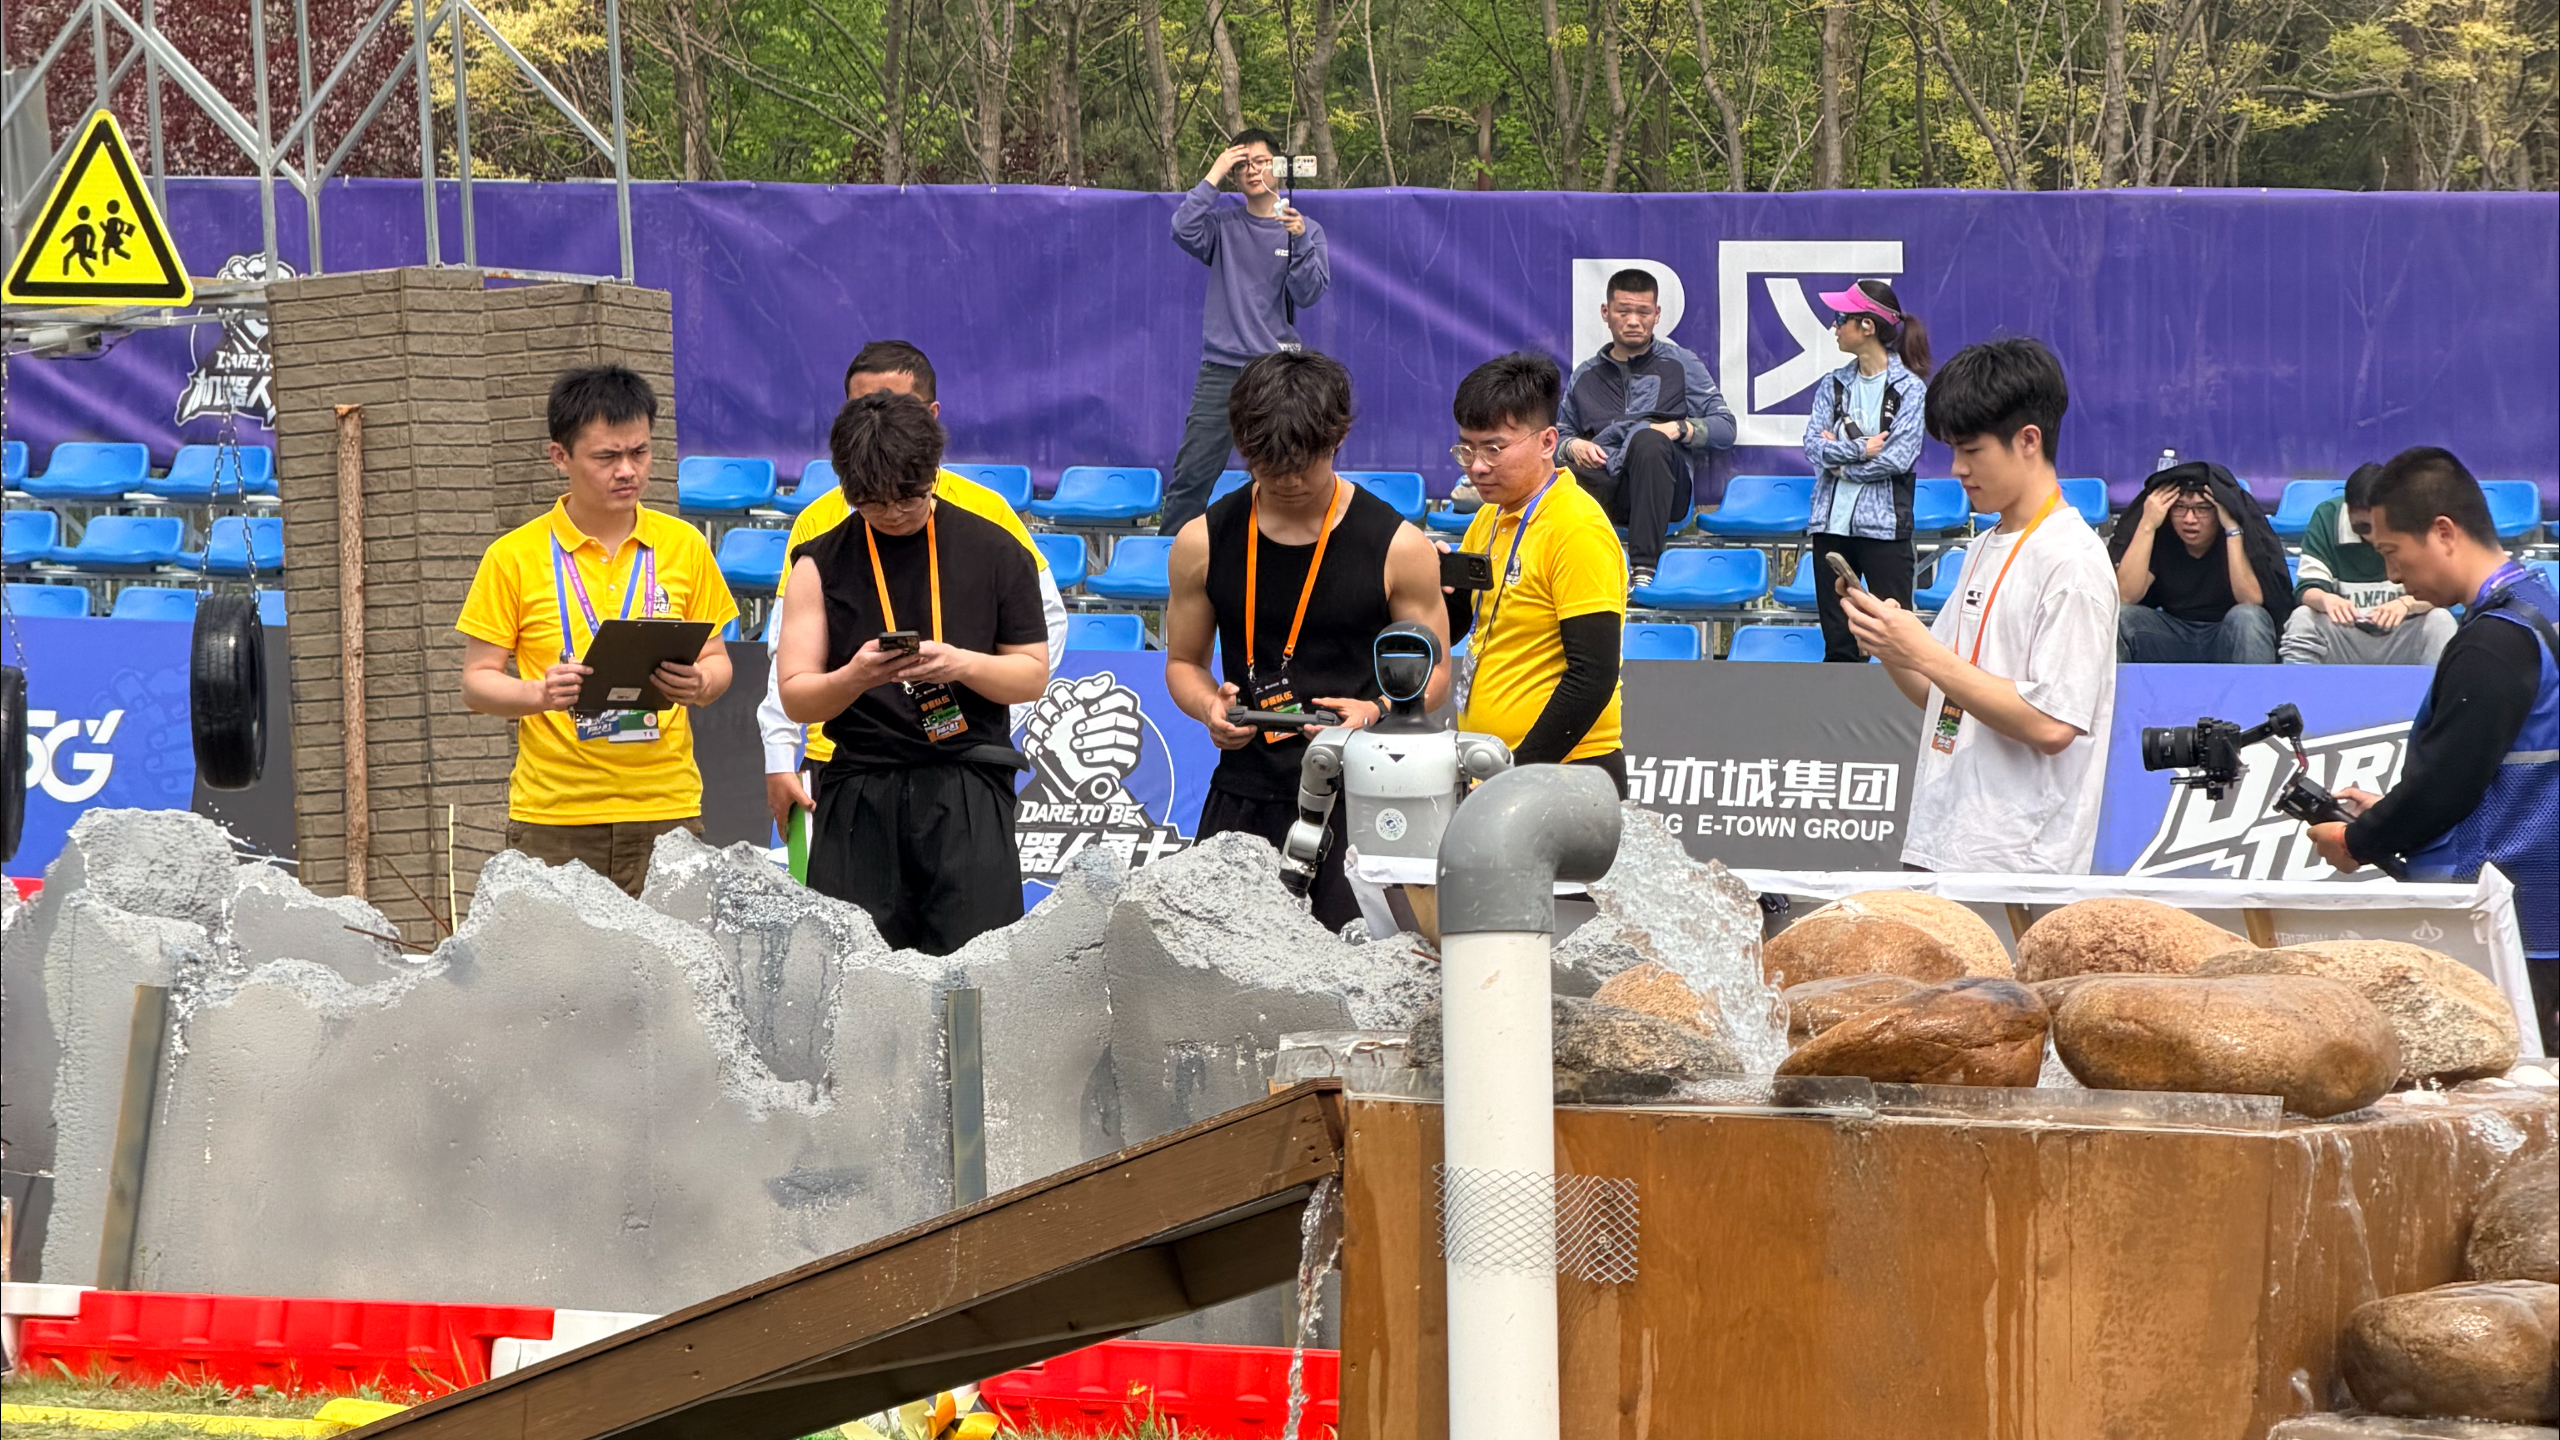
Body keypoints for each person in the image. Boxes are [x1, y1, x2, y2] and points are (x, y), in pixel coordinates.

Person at [1164, 350, 1449, 932]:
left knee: (1361, 971)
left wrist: (1375, 711)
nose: (1289, 480)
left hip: (1363, 795)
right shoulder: (1202, 541)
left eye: (1304, 463)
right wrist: (1209, 706)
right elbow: (1183, 663)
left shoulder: (1397, 546)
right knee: (1218, 964)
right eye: (1270, 466)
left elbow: (1437, 674)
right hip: (1245, 791)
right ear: (1243, 447)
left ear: (1338, 439)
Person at [758, 341, 1069, 858]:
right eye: (861, 408)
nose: (893, 512)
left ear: (931, 418)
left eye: (894, 407)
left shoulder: (988, 518)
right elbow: (786, 656)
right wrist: (778, 752)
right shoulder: (820, 524)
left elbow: (1043, 636)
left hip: (964, 760)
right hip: (843, 759)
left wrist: (975, 690)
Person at [776, 392, 1050, 955]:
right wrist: (855, 676)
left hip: (967, 778)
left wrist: (960, 664)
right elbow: (798, 696)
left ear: (933, 475)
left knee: (974, 969)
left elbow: (1030, 676)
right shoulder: (818, 562)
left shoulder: (996, 550)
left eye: (910, 497)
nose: (895, 514)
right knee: (856, 970)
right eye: (874, 504)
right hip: (860, 785)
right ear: (849, 491)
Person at [2307, 447, 2555, 1051]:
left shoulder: (2494, 641)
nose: (2391, 575)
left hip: (2511, 925)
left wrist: (2360, 840)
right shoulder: (2537, 604)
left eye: (2392, 552)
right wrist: (2392, 814)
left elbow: (2448, 784)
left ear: (2443, 532)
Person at [457, 365, 739, 897]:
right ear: (559, 456)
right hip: (556, 817)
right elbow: (476, 682)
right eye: (606, 457)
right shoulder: (513, 557)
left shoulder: (683, 546)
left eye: (640, 452)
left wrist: (701, 683)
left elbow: (717, 661)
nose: (627, 471)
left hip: (667, 809)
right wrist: (538, 694)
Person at [1838, 338, 2117, 874]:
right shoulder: (1985, 545)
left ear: (2028, 440)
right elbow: (1940, 693)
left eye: (1971, 450)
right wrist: (1891, 645)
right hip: (1940, 840)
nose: (1958, 469)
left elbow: (2052, 725)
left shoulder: (2073, 561)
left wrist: (1923, 651)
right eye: (1953, 451)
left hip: (2018, 866)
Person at [1444, 352, 1630, 793]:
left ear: (1548, 442)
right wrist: (1435, 587)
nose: (1477, 466)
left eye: (1494, 449)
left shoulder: (1576, 528)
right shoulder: (1489, 518)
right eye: (1466, 448)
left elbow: (1592, 676)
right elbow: (1456, 627)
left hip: (1565, 774)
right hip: (1495, 768)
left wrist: (1516, 773)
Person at [1160, 129, 1332, 535]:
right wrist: (1215, 172)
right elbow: (1182, 228)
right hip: (1220, 369)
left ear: (1279, 166)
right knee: (1192, 475)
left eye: (1261, 162)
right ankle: (1167, 562)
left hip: (1277, 372)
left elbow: (1307, 293)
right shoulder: (1222, 226)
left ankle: (1282, 558)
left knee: (1282, 474)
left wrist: (1299, 239)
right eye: (1242, 166)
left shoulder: (1305, 229)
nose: (1252, 171)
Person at [1557, 268, 1736, 590]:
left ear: (1657, 315)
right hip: (1606, 486)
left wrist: (1680, 429)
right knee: (1556, 474)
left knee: (1648, 440)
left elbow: (1725, 427)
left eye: (1643, 312)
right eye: (1623, 311)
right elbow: (1556, 437)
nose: (1633, 321)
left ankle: (1644, 569)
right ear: (1606, 313)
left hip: (1664, 489)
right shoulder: (1585, 375)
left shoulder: (1681, 364)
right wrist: (1572, 446)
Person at [1802, 278, 1931, 663]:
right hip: (1831, 527)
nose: (1834, 326)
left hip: (1884, 530)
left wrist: (1841, 467)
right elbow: (1812, 445)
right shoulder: (1833, 383)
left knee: (1897, 646)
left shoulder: (1910, 389)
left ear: (1867, 326)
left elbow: (1898, 459)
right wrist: (1860, 449)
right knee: (1839, 646)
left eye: (1841, 318)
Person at [2111, 461, 2293, 663]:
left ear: (2219, 510)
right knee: (2119, 617)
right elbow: (2126, 596)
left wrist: (2232, 530)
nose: (2189, 519)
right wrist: (2147, 524)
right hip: (2170, 636)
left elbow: (2251, 599)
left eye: (2202, 508)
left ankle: (2252, 686)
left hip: (2226, 635)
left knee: (2248, 617)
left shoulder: (2238, 537)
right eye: (2180, 507)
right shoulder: (2162, 535)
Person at [2281, 462, 2457, 666]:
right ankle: (2297, 685)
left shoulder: (2415, 519)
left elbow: (2441, 593)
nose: (2373, 537)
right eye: (2362, 527)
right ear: (2347, 509)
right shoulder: (2328, 516)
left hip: (2402, 635)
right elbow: (2306, 589)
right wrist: (2326, 599)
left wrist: (2406, 604)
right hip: (2345, 634)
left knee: (2440, 620)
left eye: (2380, 526)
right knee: (2302, 617)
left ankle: (2441, 686)